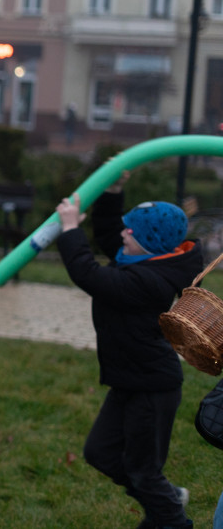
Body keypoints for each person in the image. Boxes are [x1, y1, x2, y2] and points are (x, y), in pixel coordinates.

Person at [55, 176, 199, 529]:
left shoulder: (149, 282)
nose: (122, 234)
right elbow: (108, 232)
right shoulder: (141, 262)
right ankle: (164, 499)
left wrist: (71, 228)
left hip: (152, 389)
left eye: (130, 232)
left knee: (142, 470)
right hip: (130, 381)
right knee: (100, 453)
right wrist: (113, 191)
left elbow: (89, 275)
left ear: (147, 243)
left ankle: (170, 517)